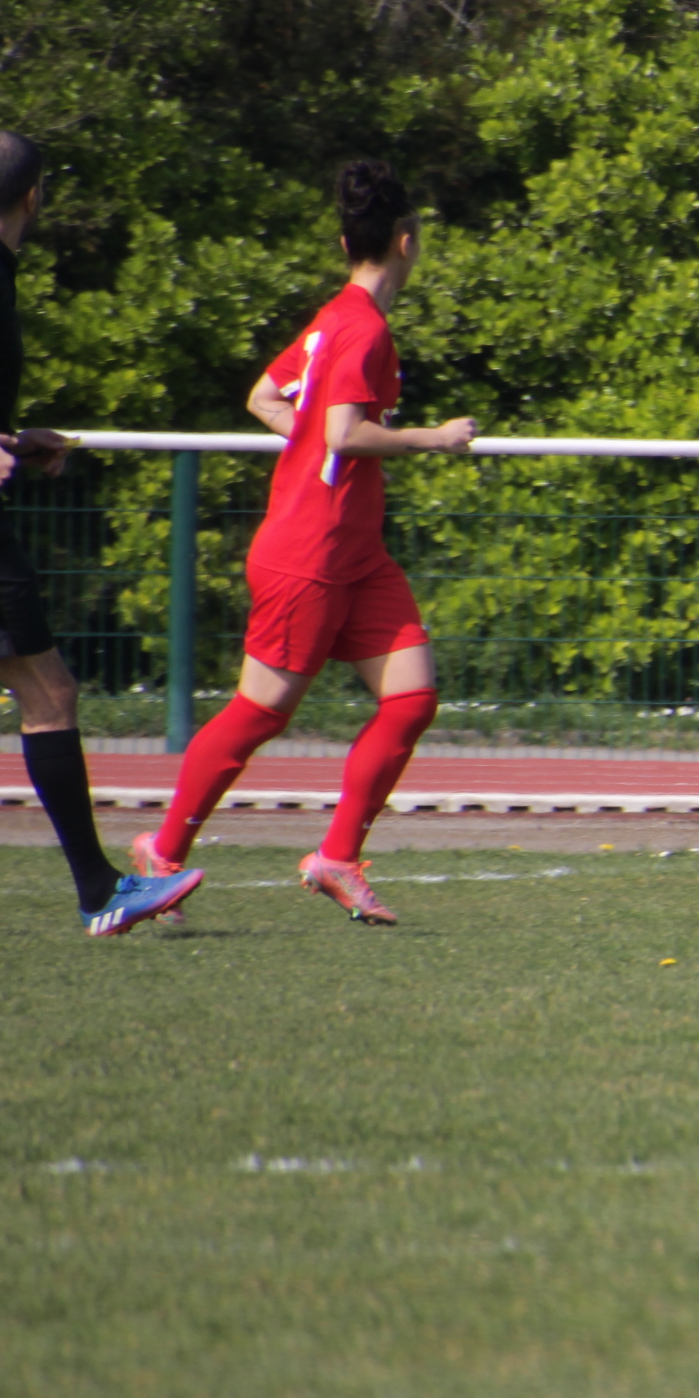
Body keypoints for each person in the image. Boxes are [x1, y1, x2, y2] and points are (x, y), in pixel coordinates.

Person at [132, 161, 477, 925]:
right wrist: (435, 438)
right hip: (309, 554)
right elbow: (345, 433)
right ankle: (162, 849)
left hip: (355, 554)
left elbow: (264, 396)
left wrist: (313, 442)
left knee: (412, 698)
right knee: (261, 712)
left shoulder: (333, 318)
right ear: (407, 243)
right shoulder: (365, 328)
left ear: (349, 242)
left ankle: (336, 859)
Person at [0, 132, 202, 934]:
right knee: (50, 692)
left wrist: (10, 440)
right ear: (35, 197)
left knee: (46, 691)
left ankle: (101, 889)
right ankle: (101, 891)